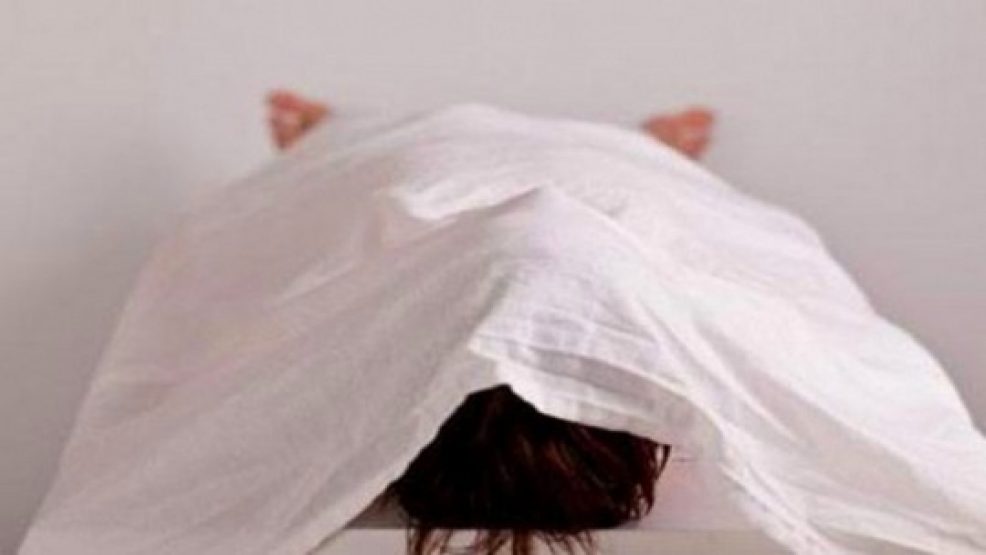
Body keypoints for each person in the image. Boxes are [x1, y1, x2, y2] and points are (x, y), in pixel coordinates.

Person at [262, 90, 712, 555]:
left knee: (372, 186)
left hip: (453, 171)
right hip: (503, 178)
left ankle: (655, 154)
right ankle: (655, 154)